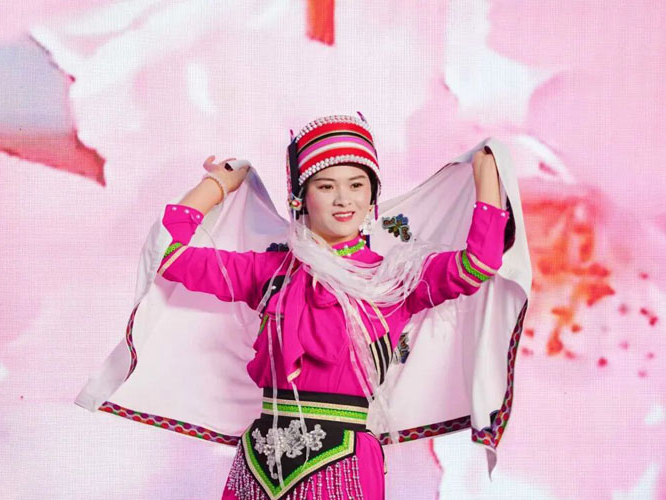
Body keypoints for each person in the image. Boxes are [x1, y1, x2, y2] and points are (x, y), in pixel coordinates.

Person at [75, 114, 532, 500]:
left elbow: (478, 263)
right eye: (326, 186)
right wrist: (217, 184)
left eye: (357, 185)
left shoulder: (393, 278)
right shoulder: (269, 272)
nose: (343, 199)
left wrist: (487, 174)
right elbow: (169, 256)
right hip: (260, 462)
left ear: (372, 197)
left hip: (343, 463)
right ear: (300, 197)